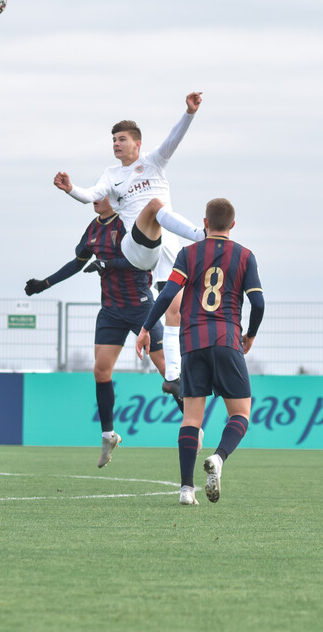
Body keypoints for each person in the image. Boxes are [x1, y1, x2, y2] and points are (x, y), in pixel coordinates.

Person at [54, 92, 205, 389]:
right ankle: (203, 236)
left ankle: (173, 376)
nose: (116, 144)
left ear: (137, 143)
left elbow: (175, 139)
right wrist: (71, 188)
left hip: (165, 249)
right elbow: (90, 195)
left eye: (121, 139)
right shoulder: (111, 175)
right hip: (135, 248)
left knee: (174, 307)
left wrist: (189, 113)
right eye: (113, 140)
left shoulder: (155, 162)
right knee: (155, 207)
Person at [25, 197, 185, 468]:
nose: (95, 200)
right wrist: (46, 283)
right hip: (110, 310)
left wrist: (108, 264)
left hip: (140, 306)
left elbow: (145, 263)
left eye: (102, 195)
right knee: (101, 371)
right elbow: (78, 262)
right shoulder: (93, 228)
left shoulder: (129, 226)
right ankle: (108, 435)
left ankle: (192, 425)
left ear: (116, 199)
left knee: (168, 369)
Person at [136, 198, 264, 506]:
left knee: (192, 418)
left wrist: (145, 328)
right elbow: (258, 304)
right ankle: (219, 458)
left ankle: (185, 489)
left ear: (204, 223)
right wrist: (250, 335)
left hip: (192, 344)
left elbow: (168, 293)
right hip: (227, 340)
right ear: (232, 225)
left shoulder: (188, 254)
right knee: (241, 413)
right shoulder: (245, 256)